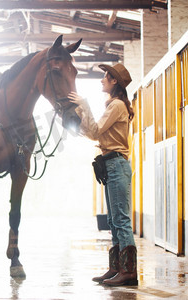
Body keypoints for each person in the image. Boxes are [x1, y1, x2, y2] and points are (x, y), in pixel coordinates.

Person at [68, 63, 138, 286]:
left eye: (105, 77)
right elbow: (92, 133)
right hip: (111, 165)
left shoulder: (117, 105)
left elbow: (96, 131)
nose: (101, 80)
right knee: (113, 220)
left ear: (114, 81)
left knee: (121, 220)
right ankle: (116, 267)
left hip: (116, 164)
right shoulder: (115, 105)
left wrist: (84, 105)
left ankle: (128, 272)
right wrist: (80, 109)